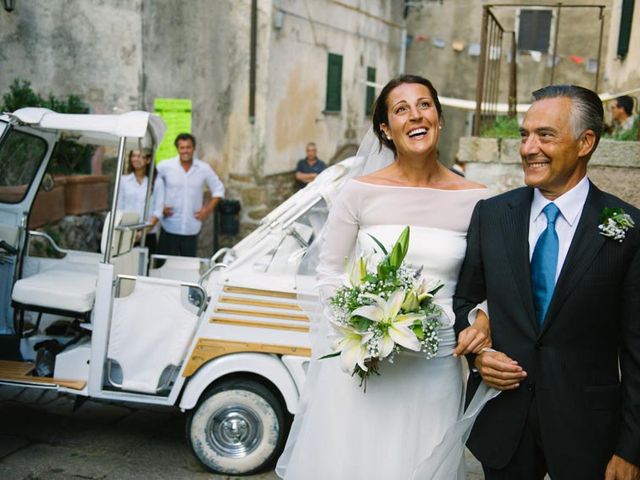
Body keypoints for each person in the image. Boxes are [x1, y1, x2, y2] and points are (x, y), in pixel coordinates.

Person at [276, 75, 496, 479]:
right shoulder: (359, 192)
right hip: (370, 367)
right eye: (401, 109)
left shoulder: (477, 198)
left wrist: (483, 316)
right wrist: (360, 329)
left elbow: (494, 279)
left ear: (440, 118)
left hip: (436, 366)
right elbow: (327, 271)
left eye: (425, 105)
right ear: (385, 129)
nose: (416, 115)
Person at [454, 85, 640, 480]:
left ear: (586, 142)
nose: (528, 148)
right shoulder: (492, 216)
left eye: (546, 135)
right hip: (504, 426)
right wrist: (478, 354)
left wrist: (632, 448)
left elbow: (638, 350)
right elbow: (465, 302)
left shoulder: (629, 229)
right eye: (525, 135)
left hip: (589, 435)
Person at [156, 133, 224, 257]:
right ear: (177, 149)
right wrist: (159, 207)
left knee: (187, 268)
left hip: (191, 228)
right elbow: (151, 188)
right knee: (163, 268)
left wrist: (207, 210)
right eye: (182, 147)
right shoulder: (164, 166)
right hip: (169, 226)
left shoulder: (203, 168)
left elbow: (218, 189)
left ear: (194, 148)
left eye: (188, 147)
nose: (185, 151)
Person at [117, 148, 162, 254]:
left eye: (140, 156)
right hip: (126, 232)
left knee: (143, 267)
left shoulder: (157, 182)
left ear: (148, 160)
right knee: (125, 267)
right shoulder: (124, 181)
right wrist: (129, 231)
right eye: (134, 156)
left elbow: (158, 210)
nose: (136, 159)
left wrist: (143, 233)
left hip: (148, 234)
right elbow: (119, 207)